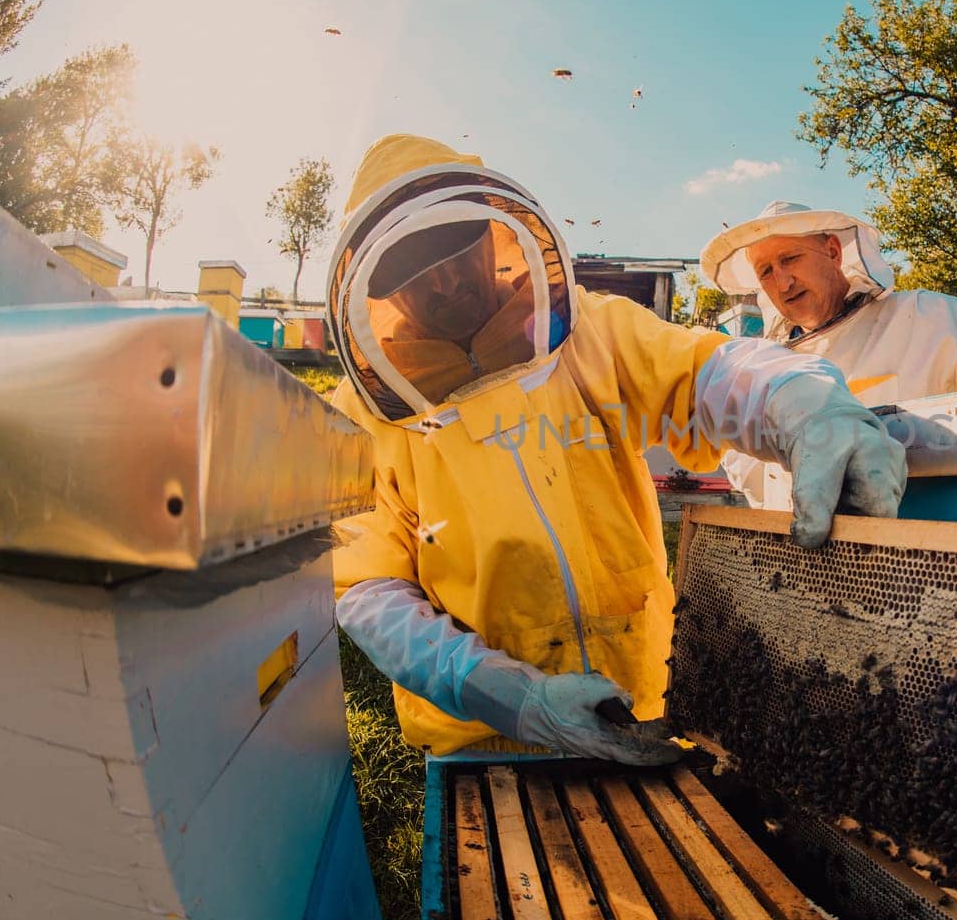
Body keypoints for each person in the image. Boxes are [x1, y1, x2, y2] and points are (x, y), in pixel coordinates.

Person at [326, 136, 906, 765]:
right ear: (375, 290)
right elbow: (368, 588)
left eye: (451, 250)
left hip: (641, 702)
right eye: (407, 273)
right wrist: (509, 696)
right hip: (486, 738)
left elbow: (703, 373)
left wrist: (799, 400)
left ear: (492, 235)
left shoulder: (591, 331)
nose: (439, 284)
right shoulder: (359, 417)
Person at [700, 200, 957, 505]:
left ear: (832, 251)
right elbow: (748, 468)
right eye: (766, 272)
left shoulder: (918, 316)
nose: (782, 282)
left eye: (789, 258)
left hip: (938, 553)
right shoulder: (768, 372)